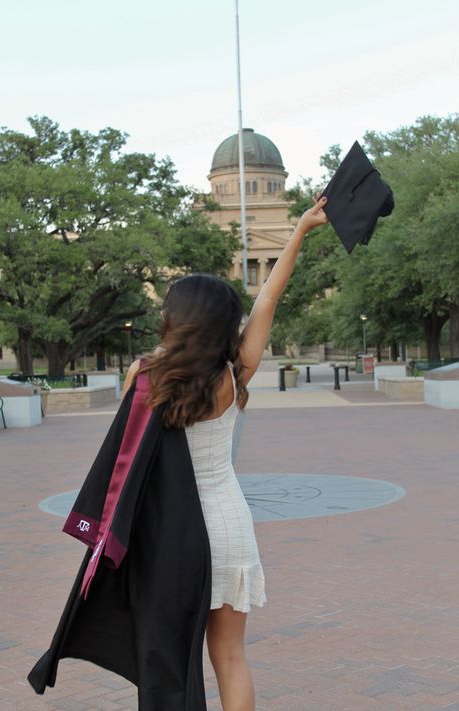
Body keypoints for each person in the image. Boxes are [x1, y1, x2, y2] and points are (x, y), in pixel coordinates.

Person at [120, 196, 329, 711]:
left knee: (168, 660)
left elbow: (126, 460)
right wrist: (300, 228)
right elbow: (268, 301)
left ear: (176, 319)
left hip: (173, 533)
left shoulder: (145, 376)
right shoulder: (235, 375)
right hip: (228, 525)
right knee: (230, 658)